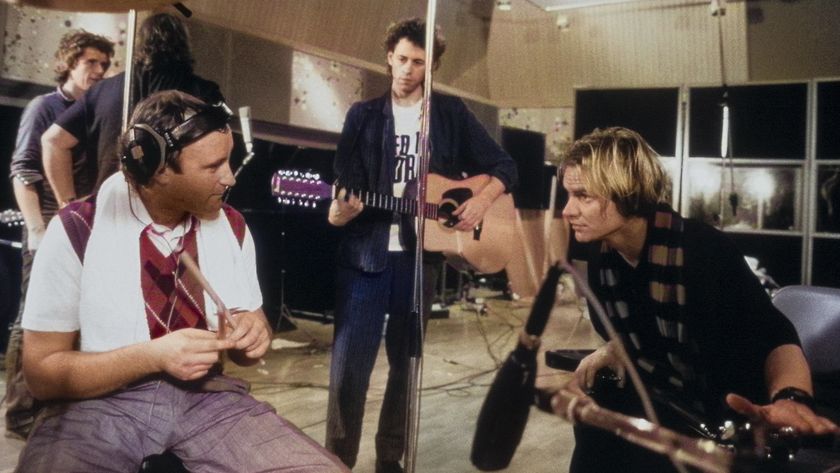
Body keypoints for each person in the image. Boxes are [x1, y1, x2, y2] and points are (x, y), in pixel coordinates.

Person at [16, 90, 348, 473]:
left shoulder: (233, 228)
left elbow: (248, 337)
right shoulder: (77, 230)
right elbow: (42, 375)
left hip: (206, 399)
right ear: (156, 170)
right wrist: (154, 356)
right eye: (213, 166)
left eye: (229, 160)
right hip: (98, 404)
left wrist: (254, 334)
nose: (229, 178)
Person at [555, 127, 839, 472]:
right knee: (597, 425)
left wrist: (792, 399)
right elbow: (639, 326)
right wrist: (614, 349)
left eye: (583, 196)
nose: (567, 210)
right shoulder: (603, 257)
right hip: (669, 396)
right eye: (568, 195)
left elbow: (774, 335)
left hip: (732, 405)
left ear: (626, 191)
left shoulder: (703, 251)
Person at [324, 17, 518, 473]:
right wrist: (339, 211)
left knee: (405, 370)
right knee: (349, 372)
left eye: (419, 63)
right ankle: (334, 461)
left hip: (420, 259)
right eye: (403, 59)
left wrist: (479, 202)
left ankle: (390, 458)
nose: (408, 70)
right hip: (365, 256)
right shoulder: (362, 117)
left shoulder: (450, 116)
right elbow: (344, 187)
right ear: (389, 56)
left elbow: (505, 166)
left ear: (432, 68)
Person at [6, 29, 115, 439]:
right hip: (51, 224)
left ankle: (52, 408)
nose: (99, 71)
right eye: (91, 63)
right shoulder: (45, 107)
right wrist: (37, 228)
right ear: (69, 62)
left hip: (78, 226)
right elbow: (23, 171)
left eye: (105, 65)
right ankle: (19, 413)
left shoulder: (89, 109)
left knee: (69, 320)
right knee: (32, 318)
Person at [42, 12, 224, 207]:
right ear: (185, 44)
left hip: (109, 210)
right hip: (171, 214)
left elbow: (53, 141)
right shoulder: (204, 93)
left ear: (140, 43)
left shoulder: (103, 89)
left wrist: (67, 203)